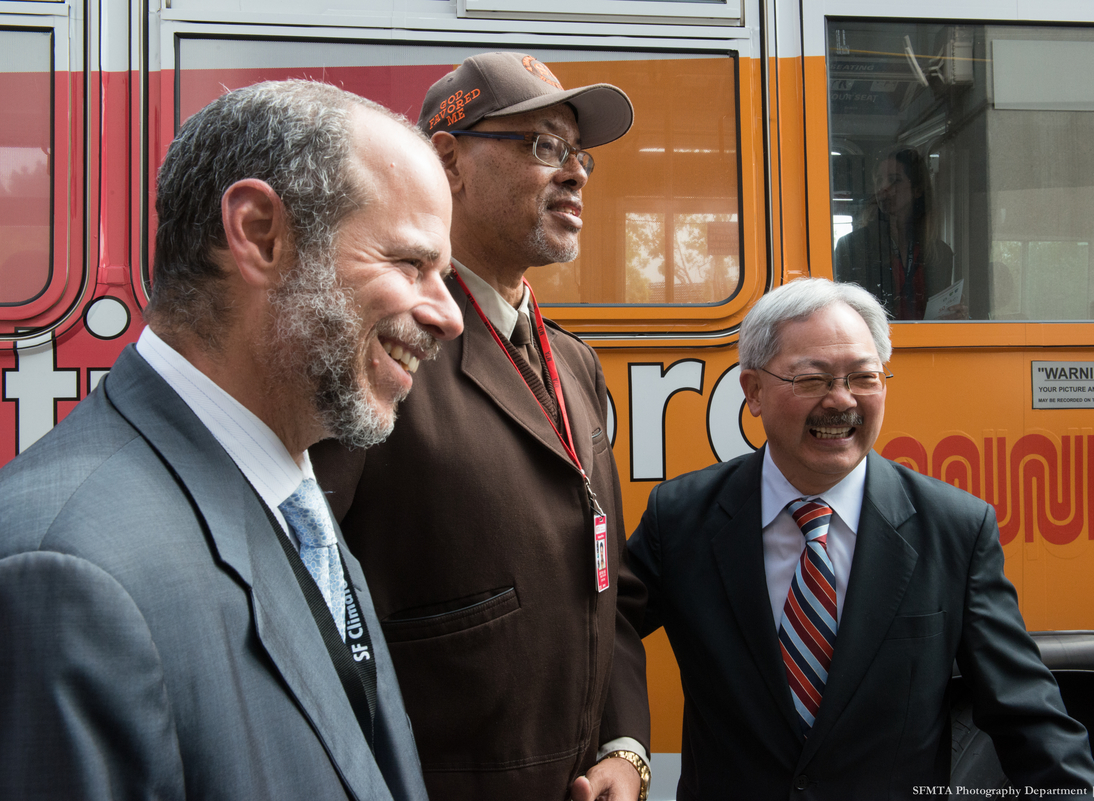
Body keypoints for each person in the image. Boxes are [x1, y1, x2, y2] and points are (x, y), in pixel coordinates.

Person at [0, 79, 464, 800]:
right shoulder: (66, 575)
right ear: (258, 234)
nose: (448, 314)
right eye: (411, 263)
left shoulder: (291, 496)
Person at [311, 52, 652, 801]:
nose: (576, 174)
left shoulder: (575, 364)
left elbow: (609, 586)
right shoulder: (383, 349)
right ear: (447, 161)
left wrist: (625, 750)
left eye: (579, 154)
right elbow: (308, 601)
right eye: (544, 146)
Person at [626, 277, 1094, 798]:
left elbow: (1026, 714)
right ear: (753, 392)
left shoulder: (955, 529)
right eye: (812, 380)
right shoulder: (682, 519)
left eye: (863, 377)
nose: (841, 401)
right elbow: (598, 640)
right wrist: (621, 750)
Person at [834, 147, 962, 320]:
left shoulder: (940, 253)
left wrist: (955, 316)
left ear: (917, 190)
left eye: (894, 181)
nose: (884, 188)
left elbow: (939, 312)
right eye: (879, 181)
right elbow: (841, 311)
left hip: (926, 344)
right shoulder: (850, 247)